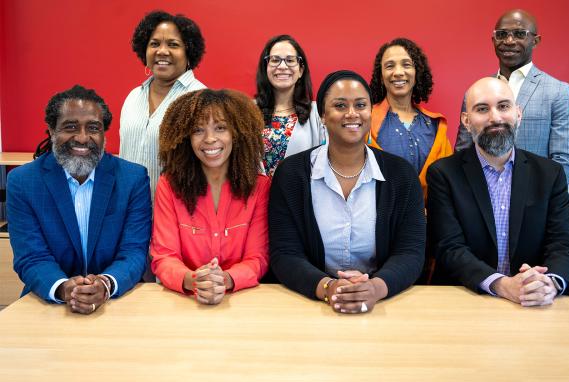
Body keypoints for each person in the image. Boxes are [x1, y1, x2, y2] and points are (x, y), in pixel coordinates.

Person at [269, 70, 425, 314]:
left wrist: (375, 288)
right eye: (340, 105)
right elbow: (284, 253)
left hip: (384, 304)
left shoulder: (401, 175)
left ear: (370, 112)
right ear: (322, 115)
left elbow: (411, 252)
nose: (352, 113)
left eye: (361, 105)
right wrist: (327, 287)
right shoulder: (291, 175)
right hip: (309, 305)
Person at [427, 77, 569, 307]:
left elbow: (563, 243)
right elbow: (448, 247)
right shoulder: (443, 174)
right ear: (466, 121)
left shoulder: (550, 174)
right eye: (482, 109)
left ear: (518, 113)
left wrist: (549, 283)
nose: (495, 117)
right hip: (464, 300)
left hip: (533, 302)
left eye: (503, 106)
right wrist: (502, 284)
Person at [7, 85, 152, 314]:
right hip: (50, 303)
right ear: (52, 131)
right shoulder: (22, 182)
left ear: (104, 133)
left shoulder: (133, 178)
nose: (83, 138)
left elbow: (134, 251)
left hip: (119, 301)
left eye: (93, 128)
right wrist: (65, 288)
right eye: (70, 127)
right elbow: (31, 257)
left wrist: (104, 284)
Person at [151, 89, 270, 305]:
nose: (210, 139)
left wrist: (224, 280)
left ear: (237, 133)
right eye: (198, 130)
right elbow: (164, 257)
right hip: (183, 303)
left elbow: (258, 258)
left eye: (220, 128)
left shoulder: (260, 187)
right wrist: (195, 281)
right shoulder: (168, 186)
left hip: (244, 303)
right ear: (185, 137)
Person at [455, 9, 569, 184]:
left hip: (538, 205)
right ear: (493, 40)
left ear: (535, 41)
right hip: (483, 203)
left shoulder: (558, 92)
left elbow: (567, 163)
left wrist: (524, 197)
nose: (509, 41)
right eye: (502, 34)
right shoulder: (476, 92)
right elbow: (463, 153)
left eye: (520, 34)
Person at [120, 10, 206, 197]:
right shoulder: (133, 97)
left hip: (176, 217)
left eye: (173, 45)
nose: (162, 51)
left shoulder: (201, 99)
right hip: (130, 214)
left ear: (188, 52)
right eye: (154, 44)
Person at [369, 38, 452, 200]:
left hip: (430, 221)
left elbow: (449, 180)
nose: (398, 72)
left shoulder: (435, 126)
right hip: (381, 218)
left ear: (417, 72)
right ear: (381, 76)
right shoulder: (365, 121)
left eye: (406, 64)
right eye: (390, 66)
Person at [256, 34, 324, 176]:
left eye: (290, 60)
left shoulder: (317, 113)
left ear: (300, 70)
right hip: (256, 196)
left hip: (299, 196)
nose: (282, 66)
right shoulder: (248, 111)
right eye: (275, 60)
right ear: (266, 68)